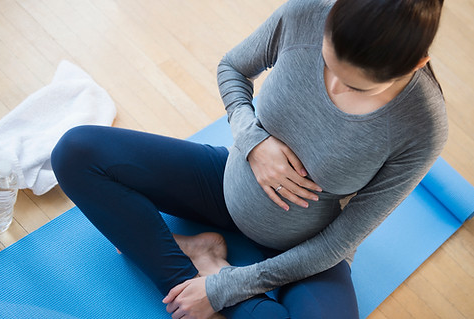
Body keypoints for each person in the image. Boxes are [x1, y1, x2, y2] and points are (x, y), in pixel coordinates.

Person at [51, 0, 448, 317]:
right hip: (227, 183)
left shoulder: (422, 127)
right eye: (326, 61)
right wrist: (252, 139)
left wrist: (226, 286)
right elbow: (232, 68)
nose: (334, 84)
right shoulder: (307, 13)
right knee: (76, 152)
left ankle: (205, 275)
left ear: (417, 64)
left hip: (306, 246)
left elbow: (343, 239)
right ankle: (190, 269)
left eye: (357, 86)